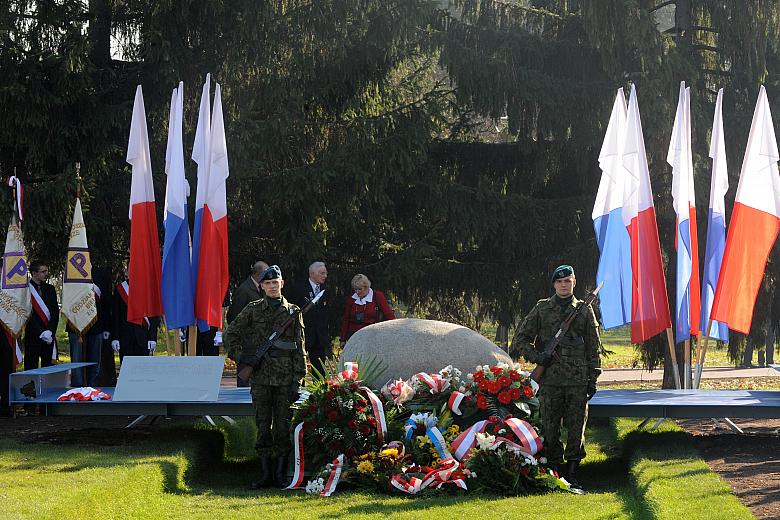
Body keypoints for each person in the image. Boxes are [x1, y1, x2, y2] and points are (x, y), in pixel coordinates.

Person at [511, 265, 601, 491]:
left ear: (574, 283)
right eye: (559, 282)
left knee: (576, 427)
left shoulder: (584, 310)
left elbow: (594, 347)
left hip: (577, 380)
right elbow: (521, 339)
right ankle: (553, 470)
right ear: (553, 284)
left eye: (567, 281)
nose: (563, 285)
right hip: (549, 380)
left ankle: (572, 472)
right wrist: (538, 356)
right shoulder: (542, 309)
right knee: (550, 428)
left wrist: (593, 378)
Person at [224, 265, 307, 489]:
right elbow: (229, 334)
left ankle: (280, 475)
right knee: (262, 426)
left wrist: (298, 380)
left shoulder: (293, 312)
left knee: (282, 427)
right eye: (267, 283)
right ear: (261, 286)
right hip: (259, 377)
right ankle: (264, 474)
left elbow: (300, 349)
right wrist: (243, 358)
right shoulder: (252, 310)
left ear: (282, 283)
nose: (272, 286)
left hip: (284, 380)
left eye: (275, 282)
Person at [67, 267, 112, 387]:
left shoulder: (100, 274)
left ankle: (92, 389)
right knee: (76, 363)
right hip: (75, 325)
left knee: (95, 362)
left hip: (96, 325)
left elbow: (106, 301)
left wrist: (107, 327)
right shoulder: (71, 273)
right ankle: (77, 390)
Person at [227, 260, 267, 385]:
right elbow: (234, 317)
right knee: (244, 387)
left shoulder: (259, 288)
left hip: (258, 344)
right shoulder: (244, 290)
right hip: (246, 345)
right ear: (257, 274)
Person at [288, 261, 331, 373]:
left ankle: (319, 390)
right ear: (312, 274)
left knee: (320, 371)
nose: (325, 276)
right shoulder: (299, 288)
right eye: (322, 273)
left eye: (326, 273)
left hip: (319, 336)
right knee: (299, 368)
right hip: (302, 334)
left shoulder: (326, 290)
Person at [110, 279, 160, 360]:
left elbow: (153, 315)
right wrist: (115, 338)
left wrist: (153, 337)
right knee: (126, 370)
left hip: (143, 338)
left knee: (142, 370)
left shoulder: (148, 288)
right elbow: (116, 316)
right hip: (125, 339)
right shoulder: (121, 289)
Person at [339, 273, 395, 343]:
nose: (357, 292)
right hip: (353, 335)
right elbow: (346, 319)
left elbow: (388, 314)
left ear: (366, 287)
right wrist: (342, 339)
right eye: (355, 289)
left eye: (359, 289)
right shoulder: (351, 299)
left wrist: (395, 331)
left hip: (372, 334)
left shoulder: (377, 296)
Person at [24, 262, 59, 370]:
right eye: (43, 271)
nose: (46, 274)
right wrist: (40, 332)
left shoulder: (50, 289)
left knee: (48, 368)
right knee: (31, 367)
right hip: (33, 335)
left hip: (49, 335)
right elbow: (26, 313)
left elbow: (55, 312)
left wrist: (50, 331)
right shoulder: (25, 290)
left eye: (47, 271)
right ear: (34, 273)